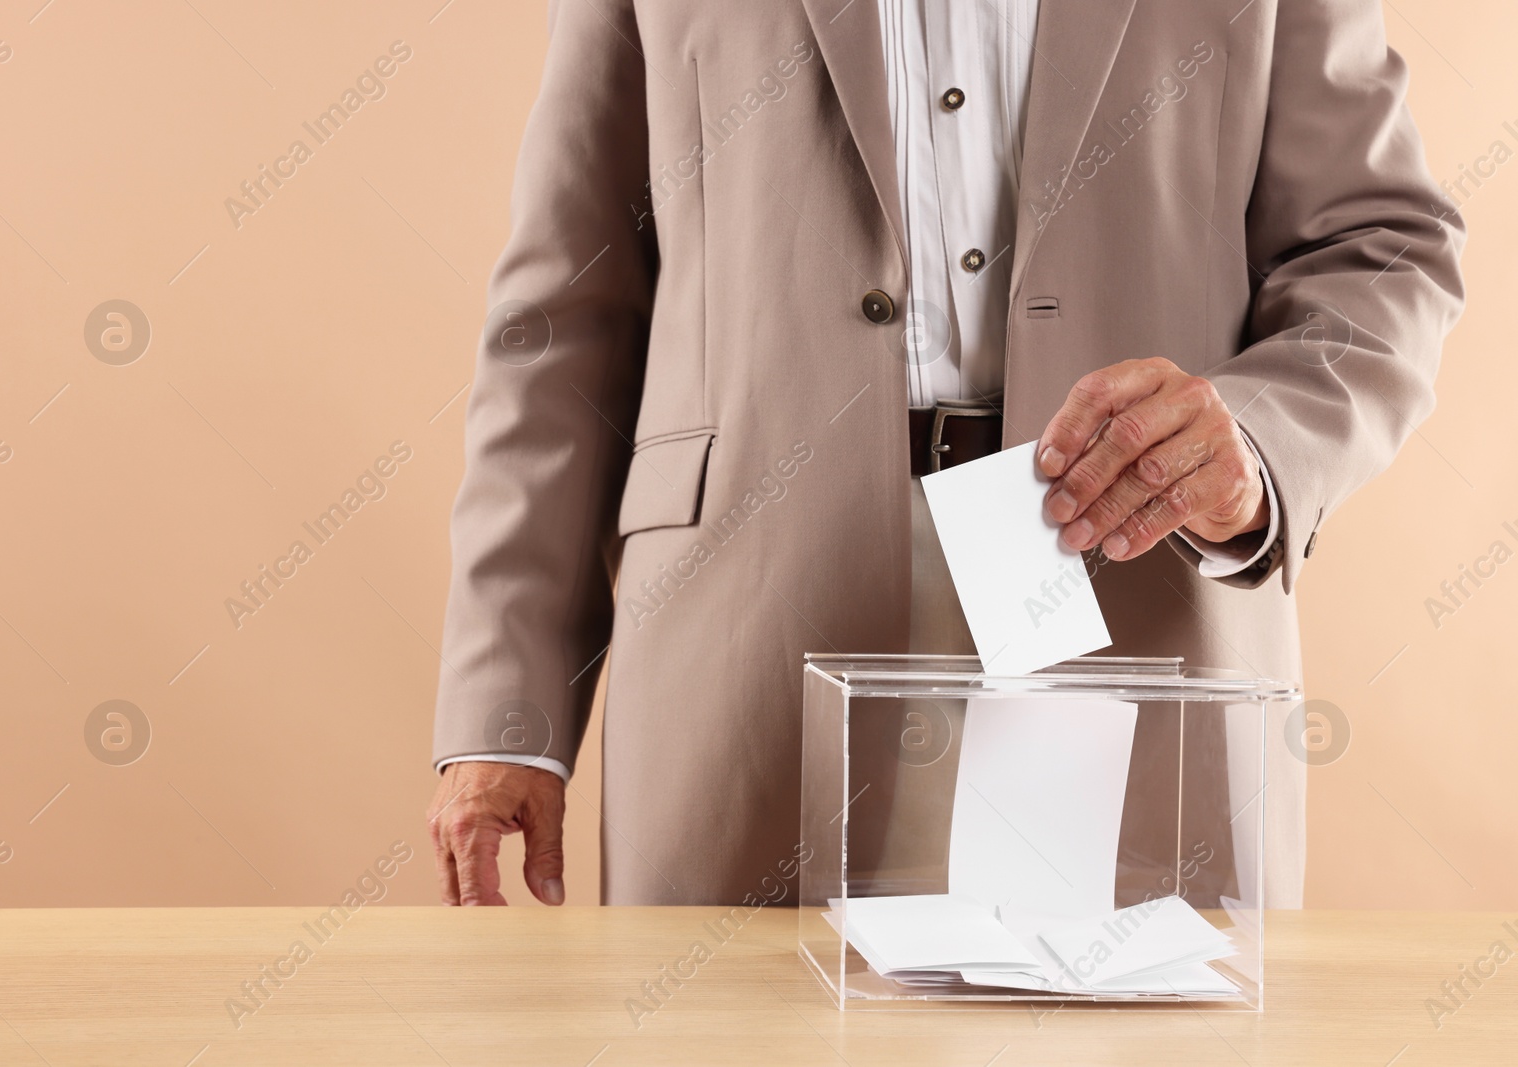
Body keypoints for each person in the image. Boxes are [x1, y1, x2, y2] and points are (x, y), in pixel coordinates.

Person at [426, 0, 1464, 908]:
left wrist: (1254, 438)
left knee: (1126, 1034)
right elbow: (566, 313)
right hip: (743, 625)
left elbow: (1379, 247)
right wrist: (506, 708)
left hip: (1133, 588)